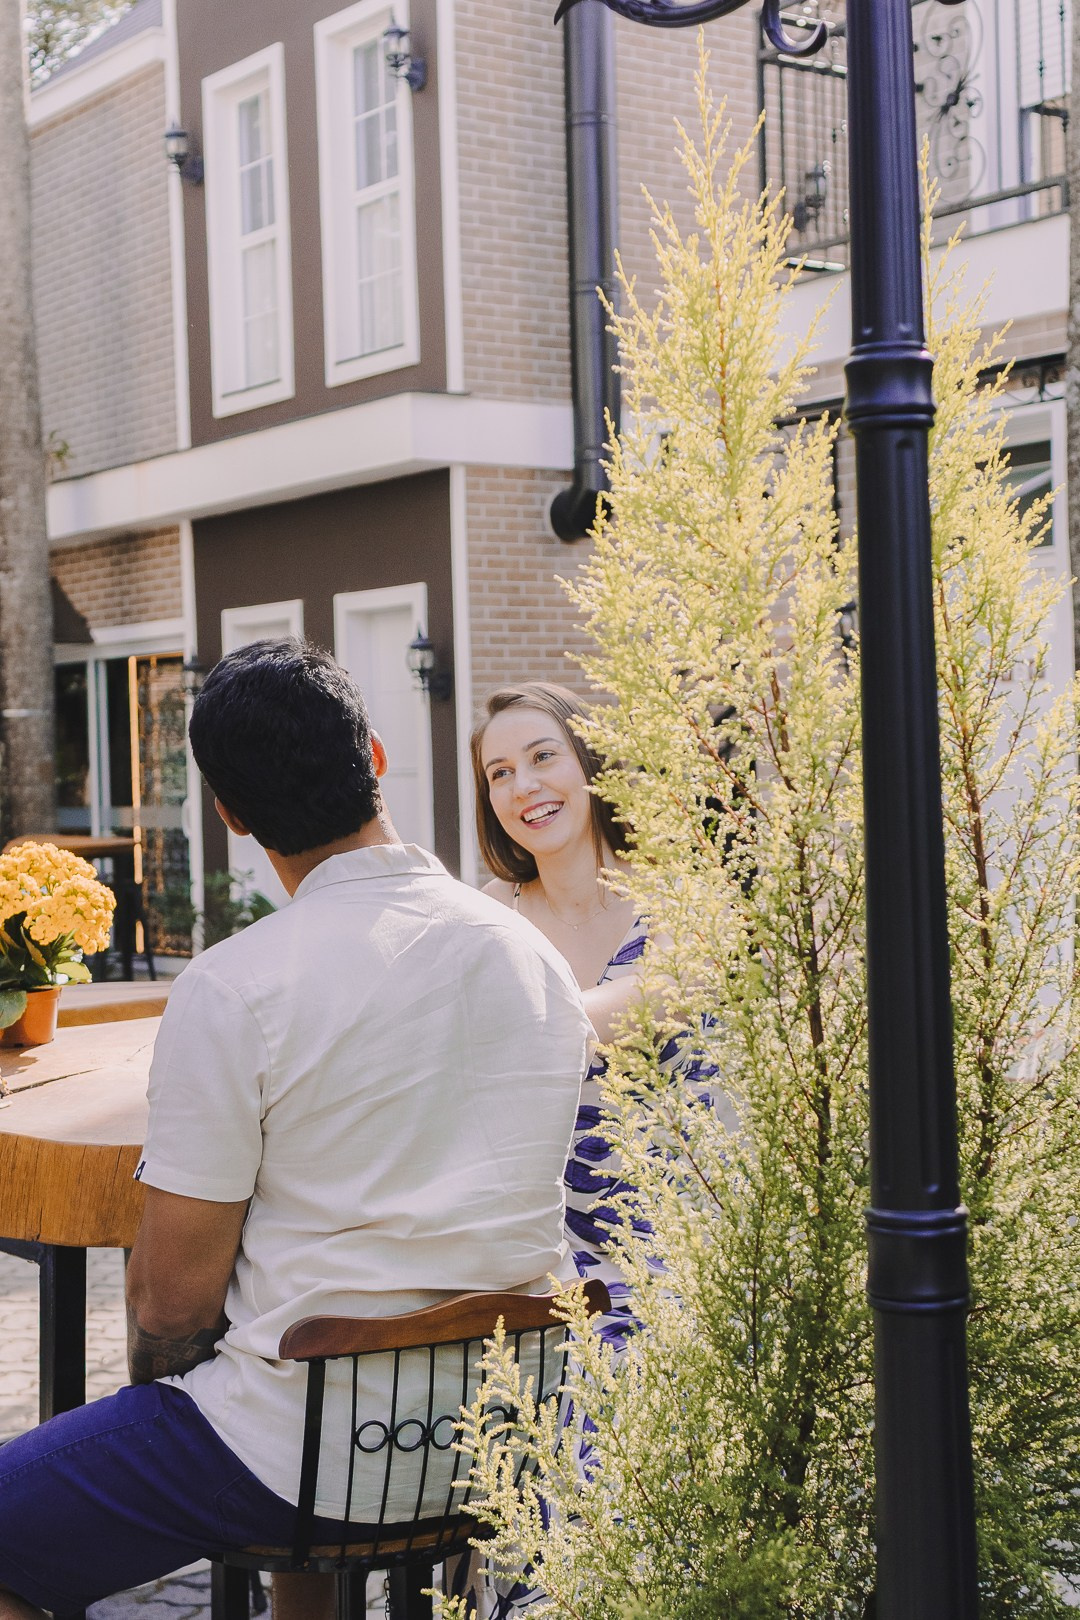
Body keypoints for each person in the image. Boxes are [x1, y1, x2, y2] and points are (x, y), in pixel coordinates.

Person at [0, 640, 593, 1620]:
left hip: (303, 1455)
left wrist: (165, 1374)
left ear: (230, 815)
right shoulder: (530, 956)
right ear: (376, 755)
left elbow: (171, 1306)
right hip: (505, 1435)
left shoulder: (235, 987)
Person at [472, 682, 659, 1356]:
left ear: (589, 762)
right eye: (499, 774)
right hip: (538, 1260)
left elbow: (641, 1005)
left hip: (683, 1248)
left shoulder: (675, 896)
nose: (523, 786)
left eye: (543, 756)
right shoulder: (492, 913)